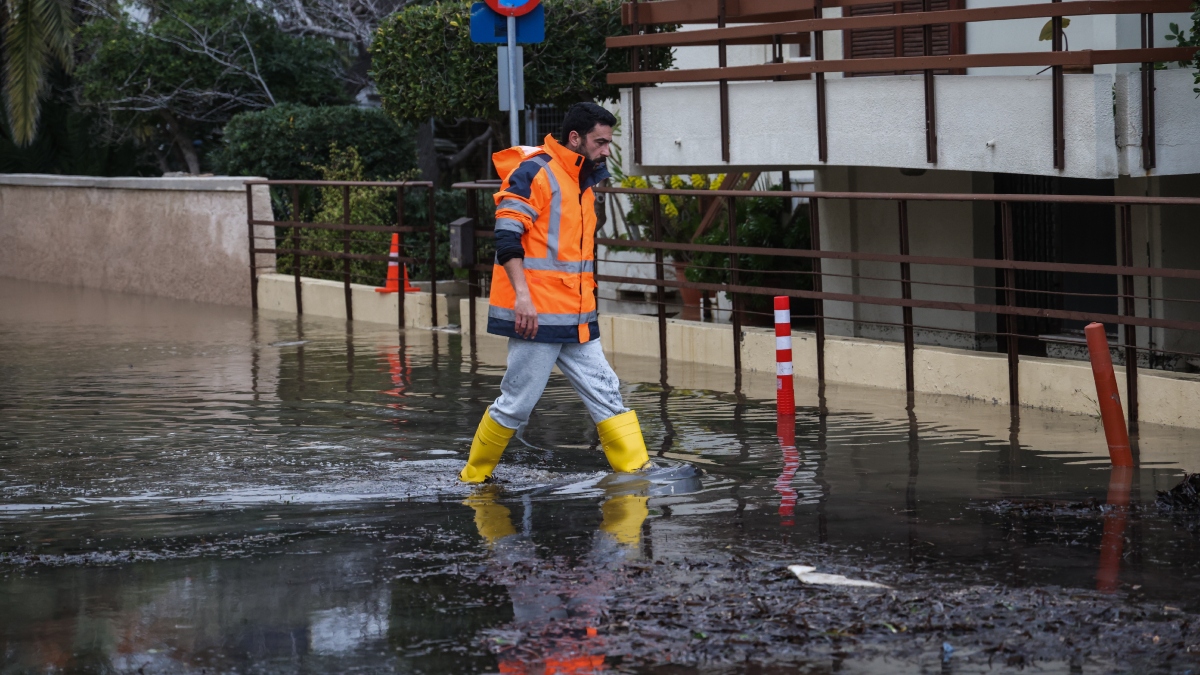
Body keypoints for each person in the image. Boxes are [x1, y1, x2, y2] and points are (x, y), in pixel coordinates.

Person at [458, 102, 650, 483]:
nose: (606, 150)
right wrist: (522, 300)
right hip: (537, 315)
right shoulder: (536, 173)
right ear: (575, 138)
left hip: (577, 318)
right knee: (516, 406)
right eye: (600, 142)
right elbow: (506, 237)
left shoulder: (584, 182)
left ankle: (640, 473)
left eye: (609, 142)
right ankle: (473, 479)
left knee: (608, 394)